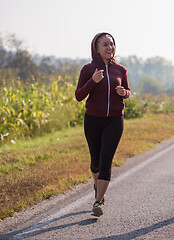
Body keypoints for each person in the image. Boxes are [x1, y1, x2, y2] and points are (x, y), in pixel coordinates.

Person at [75, 32, 130, 217]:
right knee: (95, 163)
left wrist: (124, 93)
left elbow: (128, 91)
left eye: (112, 44)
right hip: (93, 120)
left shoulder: (120, 70)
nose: (110, 48)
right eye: (105, 45)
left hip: (115, 120)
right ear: (96, 49)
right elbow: (79, 96)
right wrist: (93, 81)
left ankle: (99, 201)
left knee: (106, 161)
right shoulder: (88, 69)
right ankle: (97, 185)